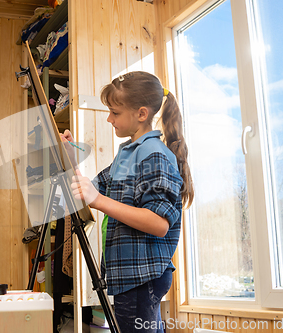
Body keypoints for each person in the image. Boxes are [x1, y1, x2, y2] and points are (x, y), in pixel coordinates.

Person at [61, 71, 193, 333]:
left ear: (141, 114)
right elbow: (94, 188)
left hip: (143, 276)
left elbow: (158, 223)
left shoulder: (154, 154)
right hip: (129, 275)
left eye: (115, 113)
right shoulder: (128, 152)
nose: (109, 118)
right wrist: (69, 160)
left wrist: (97, 200)